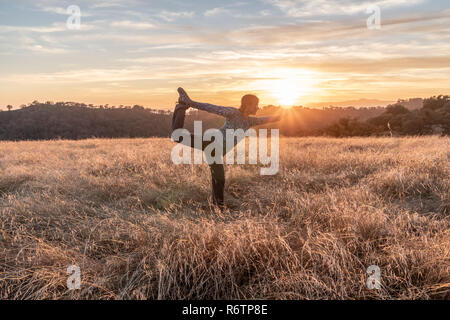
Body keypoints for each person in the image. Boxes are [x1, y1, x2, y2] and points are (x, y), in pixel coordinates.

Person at [171, 88, 280, 207]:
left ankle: (217, 208)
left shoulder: (249, 121)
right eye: (256, 105)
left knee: (219, 179)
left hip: (215, 151)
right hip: (211, 143)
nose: (258, 108)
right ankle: (182, 105)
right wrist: (191, 103)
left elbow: (267, 119)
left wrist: (284, 115)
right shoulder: (233, 113)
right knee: (178, 136)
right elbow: (212, 107)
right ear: (248, 104)